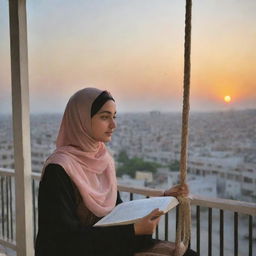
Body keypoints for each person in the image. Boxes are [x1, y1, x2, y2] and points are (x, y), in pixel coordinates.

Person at [35, 87, 197, 256]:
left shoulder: (103, 159)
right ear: (81, 120)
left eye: (114, 117)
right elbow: (63, 243)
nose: (113, 125)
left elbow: (116, 213)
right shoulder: (58, 169)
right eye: (104, 117)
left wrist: (161, 200)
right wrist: (133, 231)